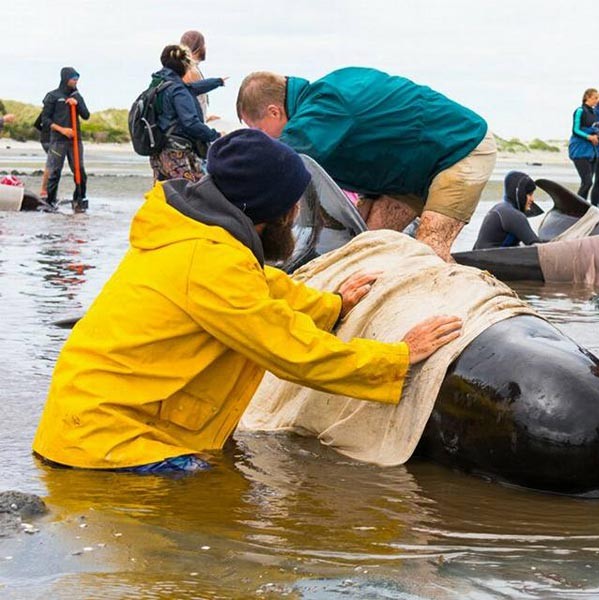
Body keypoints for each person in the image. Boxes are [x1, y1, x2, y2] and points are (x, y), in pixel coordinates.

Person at [32, 129, 463, 472]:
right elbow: (293, 352)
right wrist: (398, 360)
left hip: (86, 429)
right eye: (293, 206)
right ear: (269, 209)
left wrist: (331, 305)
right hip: (109, 447)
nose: (296, 215)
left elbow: (263, 285)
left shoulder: (197, 236)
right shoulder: (210, 261)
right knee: (223, 537)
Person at [236, 68, 497, 262]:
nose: (260, 137)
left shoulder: (326, 104)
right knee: (367, 247)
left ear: (274, 112)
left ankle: (455, 318)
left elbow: (275, 158)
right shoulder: (317, 106)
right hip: (408, 173)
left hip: (460, 147)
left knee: (428, 249)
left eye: (256, 130)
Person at [149, 44, 223, 182]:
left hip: (158, 152)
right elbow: (190, 123)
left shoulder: (158, 84)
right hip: (178, 153)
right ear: (185, 66)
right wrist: (215, 135)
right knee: (194, 194)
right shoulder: (178, 90)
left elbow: (191, 88)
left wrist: (217, 82)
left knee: (163, 196)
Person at [40, 67, 89, 209]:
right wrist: (63, 130)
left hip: (75, 141)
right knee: (55, 171)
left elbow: (86, 115)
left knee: (79, 170)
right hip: (58, 140)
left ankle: (79, 198)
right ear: (66, 79)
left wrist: (77, 103)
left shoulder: (77, 95)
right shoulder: (53, 96)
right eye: (73, 79)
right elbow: (45, 120)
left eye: (77, 79)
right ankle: (50, 201)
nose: (76, 82)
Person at [474, 171, 543, 249]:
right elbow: (537, 247)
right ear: (520, 193)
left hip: (478, 257)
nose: (532, 199)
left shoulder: (500, 208)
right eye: (529, 194)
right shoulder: (514, 215)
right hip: (491, 259)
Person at [568, 88, 599, 201]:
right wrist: (589, 137)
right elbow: (575, 130)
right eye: (595, 98)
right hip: (579, 151)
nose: (597, 100)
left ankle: (583, 208)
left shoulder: (594, 112)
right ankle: (576, 208)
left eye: (598, 98)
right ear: (587, 97)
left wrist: (597, 136)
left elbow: (594, 129)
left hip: (591, 152)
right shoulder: (580, 111)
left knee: (588, 183)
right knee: (587, 182)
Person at [180, 29, 220, 123]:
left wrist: (205, 118)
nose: (205, 48)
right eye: (203, 45)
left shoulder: (185, 68)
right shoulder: (190, 72)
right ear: (198, 48)